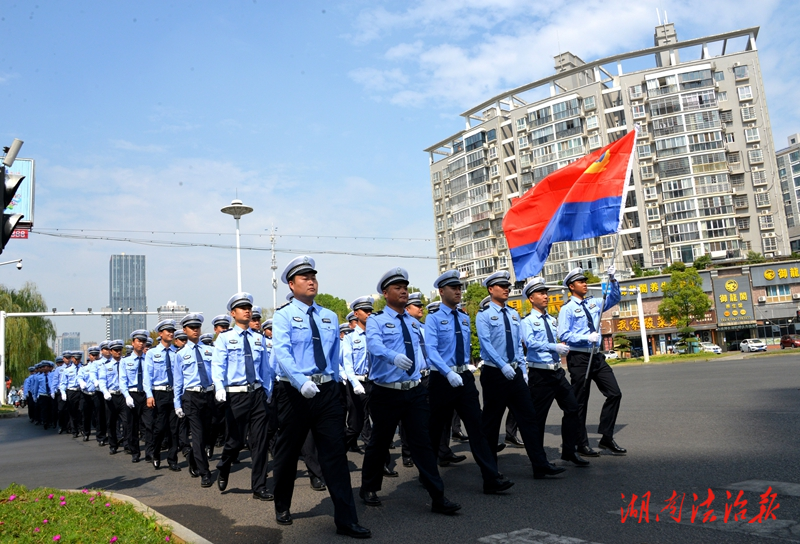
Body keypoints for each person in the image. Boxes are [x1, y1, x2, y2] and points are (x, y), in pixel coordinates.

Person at [271, 256, 368, 538]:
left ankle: (346, 520)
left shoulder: (329, 316)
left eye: (313, 276)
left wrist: (336, 383)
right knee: (287, 453)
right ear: (292, 283)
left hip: (326, 392)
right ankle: (282, 504)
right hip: (294, 392)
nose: (311, 280)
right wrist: (301, 382)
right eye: (304, 277)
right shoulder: (283, 315)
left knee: (334, 455)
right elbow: (282, 352)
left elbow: (335, 354)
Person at [360, 266, 462, 514]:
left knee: (422, 443)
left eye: (405, 287)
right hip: (386, 392)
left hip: (414, 391)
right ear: (386, 293)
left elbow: (427, 351)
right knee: (380, 442)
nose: (404, 291)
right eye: (398, 287)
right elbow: (373, 345)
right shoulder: (376, 320)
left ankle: (438, 496)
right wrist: (392, 356)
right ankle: (369, 487)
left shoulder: (414, 323)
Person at [425, 269, 514, 494]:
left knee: (477, 428)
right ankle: (427, 473)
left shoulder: (464, 317)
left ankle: (491, 478)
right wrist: (447, 372)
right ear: (441, 291)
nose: (458, 291)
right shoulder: (433, 319)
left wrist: (464, 369)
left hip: (463, 377)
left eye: (459, 288)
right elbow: (431, 351)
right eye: (453, 288)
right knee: (436, 430)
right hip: (442, 379)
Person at [476, 271, 566, 480]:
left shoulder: (514, 314)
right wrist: (501, 365)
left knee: (529, 419)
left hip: (515, 372)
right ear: (491, 290)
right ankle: (491, 473)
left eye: (508, 285)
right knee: (491, 423)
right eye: (501, 286)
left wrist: (522, 371)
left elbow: (518, 345)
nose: (507, 288)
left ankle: (540, 464)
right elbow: (486, 344)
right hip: (494, 373)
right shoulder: (484, 315)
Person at [212, 292, 274, 502]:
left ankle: (259, 486)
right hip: (236, 396)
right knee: (235, 441)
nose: (247, 310)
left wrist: (268, 390)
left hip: (257, 394)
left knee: (260, 442)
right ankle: (224, 466)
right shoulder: (225, 338)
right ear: (233, 313)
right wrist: (219, 387)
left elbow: (265, 368)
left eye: (249, 307)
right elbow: (218, 365)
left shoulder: (259, 338)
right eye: (242, 307)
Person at [557, 267, 625, 456]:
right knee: (580, 402)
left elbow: (614, 298)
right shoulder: (567, 309)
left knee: (614, 393)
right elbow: (563, 334)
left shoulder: (594, 303)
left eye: (585, 281)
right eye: (581, 282)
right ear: (572, 286)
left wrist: (612, 279)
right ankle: (581, 443)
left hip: (596, 357)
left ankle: (606, 437)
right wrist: (585, 337)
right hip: (579, 357)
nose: (585, 284)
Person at [521, 277, 588, 468]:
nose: (546, 296)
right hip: (540, 375)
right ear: (531, 298)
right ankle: (539, 461)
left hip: (557, 372)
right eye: (541, 293)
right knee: (538, 419)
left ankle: (569, 451)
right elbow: (530, 343)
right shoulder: (527, 321)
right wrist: (553, 347)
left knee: (573, 408)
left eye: (546, 293)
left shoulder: (551, 319)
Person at [174, 313, 216, 487]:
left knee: (209, 432)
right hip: (191, 397)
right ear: (185, 330)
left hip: (209, 395)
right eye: (192, 328)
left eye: (198, 327)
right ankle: (205, 472)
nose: (196, 330)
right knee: (197, 436)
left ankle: (193, 456)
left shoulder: (210, 351)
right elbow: (178, 381)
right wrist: (177, 403)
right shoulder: (180, 354)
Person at [144, 321, 185, 472]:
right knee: (159, 428)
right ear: (160, 333)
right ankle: (155, 454)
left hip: (174, 392)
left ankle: (172, 459)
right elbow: (147, 377)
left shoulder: (177, 353)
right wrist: (149, 395)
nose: (171, 333)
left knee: (174, 429)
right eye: (167, 331)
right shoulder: (152, 353)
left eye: (172, 330)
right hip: (159, 393)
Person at [341, 296, 370, 455]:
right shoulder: (350, 338)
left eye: (370, 311)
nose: (369, 314)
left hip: (375, 383)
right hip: (357, 385)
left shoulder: (375, 335)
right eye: (365, 311)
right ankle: (339, 450)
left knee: (380, 423)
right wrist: (354, 382)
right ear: (356, 314)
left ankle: (382, 462)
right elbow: (347, 364)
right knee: (355, 425)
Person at [120, 332, 148, 463]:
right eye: (139, 340)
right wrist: (126, 396)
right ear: (133, 343)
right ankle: (135, 452)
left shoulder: (148, 359)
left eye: (143, 341)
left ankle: (150, 452)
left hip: (146, 394)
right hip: (132, 394)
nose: (141, 343)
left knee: (149, 425)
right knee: (132, 426)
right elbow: (122, 380)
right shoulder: (125, 361)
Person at [99, 340, 126, 454]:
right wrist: (105, 392)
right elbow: (102, 381)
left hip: (124, 395)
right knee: (111, 422)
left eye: (120, 350)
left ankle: (127, 443)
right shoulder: (105, 366)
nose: (118, 352)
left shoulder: (125, 363)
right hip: (111, 396)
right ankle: (113, 444)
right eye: (116, 350)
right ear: (110, 351)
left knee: (126, 422)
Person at [77, 346, 101, 442]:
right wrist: (81, 382)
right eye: (93, 355)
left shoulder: (102, 366)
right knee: (86, 415)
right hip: (86, 393)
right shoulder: (84, 368)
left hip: (97, 393)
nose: (95, 357)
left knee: (99, 416)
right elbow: (79, 377)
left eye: (96, 355)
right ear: (89, 356)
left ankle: (100, 437)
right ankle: (86, 433)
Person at [59, 351, 82, 438]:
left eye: (79, 359)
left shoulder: (83, 368)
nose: (77, 361)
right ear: (72, 358)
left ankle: (81, 428)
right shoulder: (67, 370)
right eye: (76, 359)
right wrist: (63, 392)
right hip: (71, 391)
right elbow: (63, 383)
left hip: (80, 391)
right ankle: (74, 430)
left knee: (81, 410)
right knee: (72, 412)